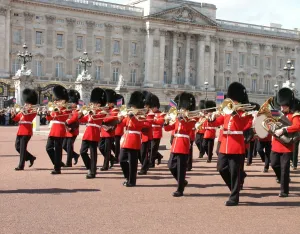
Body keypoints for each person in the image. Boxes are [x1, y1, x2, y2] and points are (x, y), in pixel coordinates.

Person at [208, 82, 252, 206]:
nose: (233, 102)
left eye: (234, 100)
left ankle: (234, 197)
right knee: (221, 168)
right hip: (225, 144)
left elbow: (244, 126)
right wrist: (211, 119)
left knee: (234, 172)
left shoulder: (245, 113)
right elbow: (218, 121)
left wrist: (236, 114)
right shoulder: (227, 111)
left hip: (236, 145)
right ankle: (234, 188)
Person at [164, 92, 197, 197]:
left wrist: (182, 120)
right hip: (175, 143)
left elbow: (188, 128)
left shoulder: (192, 117)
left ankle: (180, 189)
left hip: (183, 143)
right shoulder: (178, 117)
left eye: (183, 108)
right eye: (180, 108)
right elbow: (169, 128)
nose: (181, 110)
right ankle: (182, 182)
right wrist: (166, 122)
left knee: (181, 168)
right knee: (171, 166)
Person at [271, 88, 300, 197]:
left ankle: (284, 191)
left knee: (284, 169)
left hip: (286, 146)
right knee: (274, 164)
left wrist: (284, 129)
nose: (282, 107)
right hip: (276, 144)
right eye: (281, 106)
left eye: (285, 106)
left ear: (289, 104)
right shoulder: (276, 113)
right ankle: (282, 178)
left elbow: (297, 126)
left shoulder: (294, 115)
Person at [119, 91, 149, 187]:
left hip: (134, 139)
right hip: (126, 139)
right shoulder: (129, 114)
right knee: (122, 160)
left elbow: (138, 125)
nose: (132, 107)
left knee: (132, 163)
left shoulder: (141, 115)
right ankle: (128, 177)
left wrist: (132, 117)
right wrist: (119, 119)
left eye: (133, 106)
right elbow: (123, 124)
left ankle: (132, 181)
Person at [79, 88, 107, 179]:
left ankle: (92, 171)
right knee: (82, 152)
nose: (93, 105)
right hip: (87, 133)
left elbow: (96, 119)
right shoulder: (90, 112)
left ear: (99, 104)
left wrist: (93, 112)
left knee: (93, 153)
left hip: (94, 133)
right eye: (92, 103)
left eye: (95, 103)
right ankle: (91, 167)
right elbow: (83, 120)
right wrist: (80, 114)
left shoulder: (102, 112)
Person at [46, 85, 71, 175]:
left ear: (64, 100)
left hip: (60, 130)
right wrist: (48, 113)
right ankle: (58, 163)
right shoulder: (55, 108)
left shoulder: (66, 109)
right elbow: (50, 118)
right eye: (57, 100)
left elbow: (63, 117)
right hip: (53, 130)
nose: (57, 102)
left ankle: (57, 168)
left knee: (58, 149)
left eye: (59, 100)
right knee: (48, 148)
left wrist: (57, 110)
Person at [12, 88, 38, 170]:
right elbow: (16, 118)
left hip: (27, 131)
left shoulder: (33, 110)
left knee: (23, 149)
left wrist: (24, 110)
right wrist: (13, 114)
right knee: (17, 147)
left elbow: (27, 116)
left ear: (31, 104)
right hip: (20, 130)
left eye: (27, 103)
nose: (26, 104)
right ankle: (30, 157)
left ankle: (21, 165)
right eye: (26, 103)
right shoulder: (23, 110)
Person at [99, 89, 119, 171]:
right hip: (103, 131)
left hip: (109, 132)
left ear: (112, 103)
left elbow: (110, 118)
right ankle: (112, 158)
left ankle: (105, 165)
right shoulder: (104, 109)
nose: (107, 104)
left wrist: (103, 115)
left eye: (109, 102)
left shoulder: (115, 110)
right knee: (100, 147)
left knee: (107, 149)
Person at [63, 89, 80, 167]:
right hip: (67, 131)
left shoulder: (77, 111)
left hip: (73, 131)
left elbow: (74, 119)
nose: (70, 104)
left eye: (72, 102)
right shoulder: (69, 110)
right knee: (64, 146)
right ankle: (75, 155)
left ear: (75, 103)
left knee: (69, 147)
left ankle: (68, 163)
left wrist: (66, 121)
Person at [138, 91, 154, 175]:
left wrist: (138, 122)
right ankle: (145, 164)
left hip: (146, 136)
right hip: (139, 136)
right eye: (144, 105)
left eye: (146, 105)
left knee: (144, 153)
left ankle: (143, 169)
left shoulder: (150, 114)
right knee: (139, 153)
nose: (144, 107)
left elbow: (147, 125)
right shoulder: (139, 112)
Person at [149, 95, 165, 167]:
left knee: (153, 149)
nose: (152, 109)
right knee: (149, 148)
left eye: (153, 107)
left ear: (156, 107)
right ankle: (158, 156)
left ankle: (151, 163)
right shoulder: (149, 113)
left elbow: (160, 122)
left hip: (156, 133)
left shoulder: (161, 114)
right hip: (150, 133)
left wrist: (152, 121)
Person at [113, 94, 125, 162]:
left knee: (117, 144)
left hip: (118, 129)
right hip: (112, 128)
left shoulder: (122, 111)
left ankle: (117, 157)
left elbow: (123, 121)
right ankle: (117, 155)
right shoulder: (114, 110)